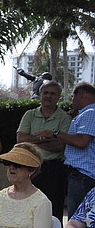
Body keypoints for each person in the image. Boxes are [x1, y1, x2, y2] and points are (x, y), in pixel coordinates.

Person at [38, 82, 95, 218]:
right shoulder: (85, 114)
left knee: (77, 222)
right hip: (80, 176)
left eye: (73, 97)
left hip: (82, 175)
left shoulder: (90, 113)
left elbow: (82, 142)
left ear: (80, 94)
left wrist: (55, 133)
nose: (72, 101)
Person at [16, 80, 71, 222]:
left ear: (58, 97)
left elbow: (60, 145)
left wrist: (33, 140)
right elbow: (20, 139)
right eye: (45, 92)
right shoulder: (30, 114)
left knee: (53, 210)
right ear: (40, 94)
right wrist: (46, 138)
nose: (48, 96)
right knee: (26, 207)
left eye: (53, 93)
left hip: (54, 169)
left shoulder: (64, 118)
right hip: (29, 168)